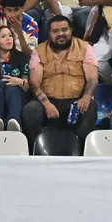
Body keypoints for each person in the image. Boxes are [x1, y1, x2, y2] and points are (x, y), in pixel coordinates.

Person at [24, 16, 99, 145]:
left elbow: (92, 78)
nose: (60, 34)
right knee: (30, 110)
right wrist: (47, 104)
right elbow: (34, 83)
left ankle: (81, 154)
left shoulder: (85, 48)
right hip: (48, 101)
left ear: (71, 30)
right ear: (49, 33)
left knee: (90, 107)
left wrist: (86, 97)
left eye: (64, 30)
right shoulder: (39, 51)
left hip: (77, 101)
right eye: (55, 31)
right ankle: (39, 150)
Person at [0, 25, 30, 132]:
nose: (8, 39)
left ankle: (14, 123)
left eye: (10, 35)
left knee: (12, 88)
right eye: (3, 36)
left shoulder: (20, 57)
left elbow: (27, 88)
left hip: (15, 96)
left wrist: (20, 82)